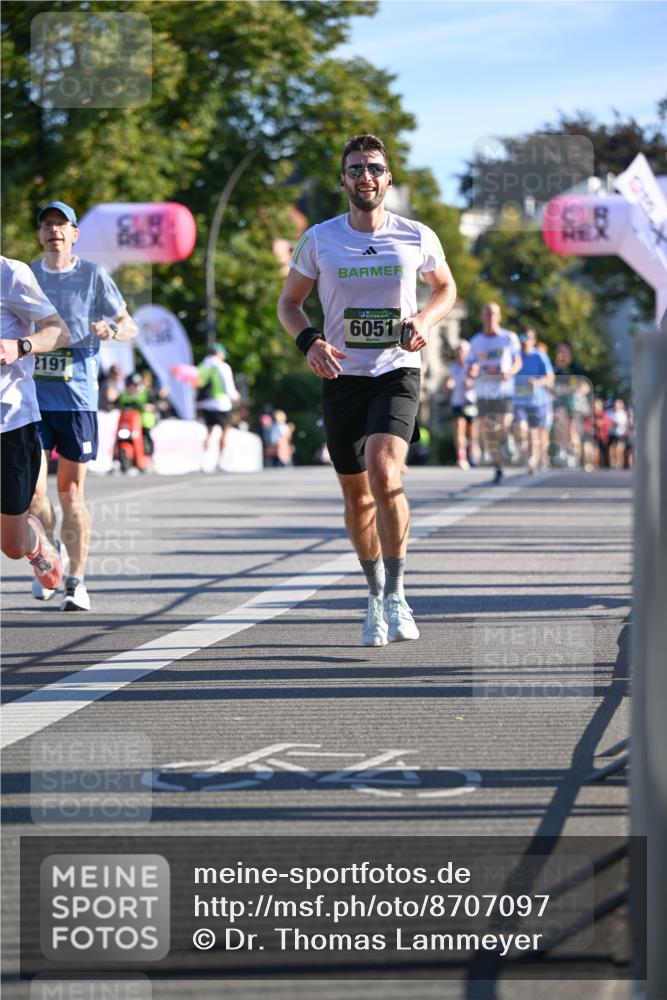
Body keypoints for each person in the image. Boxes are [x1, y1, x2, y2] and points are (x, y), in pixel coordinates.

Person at [277, 133, 457, 646]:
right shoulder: (319, 239)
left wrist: (424, 319)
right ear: (343, 180)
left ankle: (398, 593)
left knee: (385, 471)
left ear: (388, 178)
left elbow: (446, 289)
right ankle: (375, 595)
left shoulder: (416, 235)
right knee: (358, 498)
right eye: (355, 169)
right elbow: (289, 304)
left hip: (397, 369)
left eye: (374, 168)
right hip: (342, 377)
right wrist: (309, 340)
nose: (365, 177)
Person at [29, 200, 137, 610]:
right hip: (32, 399)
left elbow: (130, 325)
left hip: (76, 399)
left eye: (61, 224)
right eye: (46, 224)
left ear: (75, 233)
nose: (53, 230)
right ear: (39, 234)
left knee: (70, 492)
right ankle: (48, 555)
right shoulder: (27, 275)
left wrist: (111, 328)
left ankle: (75, 580)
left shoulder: (93, 276)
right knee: (33, 494)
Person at [0, 256, 70, 591]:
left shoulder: (10, 274)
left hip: (9, 420)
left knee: (12, 546)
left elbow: (58, 331)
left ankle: (36, 542)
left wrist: (20, 346)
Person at [467, 303, 522, 484]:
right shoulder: (475, 342)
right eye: (487, 313)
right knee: (488, 432)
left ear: (499, 316)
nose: (490, 317)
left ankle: (509, 441)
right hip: (484, 392)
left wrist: (510, 372)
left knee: (503, 425)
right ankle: (498, 467)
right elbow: (471, 365)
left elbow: (517, 361)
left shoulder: (508, 338)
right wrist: (473, 370)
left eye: (494, 314)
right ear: (482, 317)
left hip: (503, 390)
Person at [512, 326, 554, 473]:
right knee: (521, 428)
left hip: (537, 401)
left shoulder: (540, 356)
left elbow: (550, 376)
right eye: (522, 337)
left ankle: (533, 459)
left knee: (534, 432)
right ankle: (525, 451)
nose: (524, 341)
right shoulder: (516, 356)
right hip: (519, 400)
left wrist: (538, 382)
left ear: (534, 340)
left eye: (527, 337)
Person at [196, 343, 240, 469]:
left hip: (204, 403)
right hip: (221, 403)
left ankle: (204, 461)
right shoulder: (222, 366)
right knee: (225, 431)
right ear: (219, 354)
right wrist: (235, 396)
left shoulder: (202, 366)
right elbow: (228, 386)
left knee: (208, 432)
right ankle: (220, 461)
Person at [445, 339, 478, 469]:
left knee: (471, 432)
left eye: (463, 351)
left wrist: (471, 382)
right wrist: (448, 384)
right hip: (457, 402)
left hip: (470, 402)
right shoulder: (453, 366)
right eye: (458, 350)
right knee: (459, 428)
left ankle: (472, 450)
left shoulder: (472, 365)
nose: (460, 353)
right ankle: (461, 457)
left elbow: (476, 380)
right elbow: (449, 381)